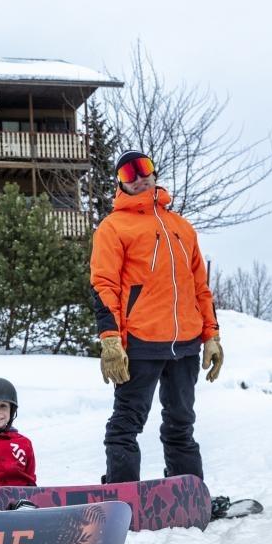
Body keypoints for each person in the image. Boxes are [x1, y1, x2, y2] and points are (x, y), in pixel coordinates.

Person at [90, 150, 223, 484]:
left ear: (154, 171)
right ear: (120, 181)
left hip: (186, 344)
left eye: (144, 168)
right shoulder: (113, 227)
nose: (139, 177)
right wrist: (110, 341)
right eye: (129, 173)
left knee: (181, 423)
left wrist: (212, 336)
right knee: (126, 424)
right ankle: (123, 495)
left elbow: (200, 287)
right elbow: (103, 285)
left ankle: (188, 494)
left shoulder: (181, 227)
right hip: (141, 343)